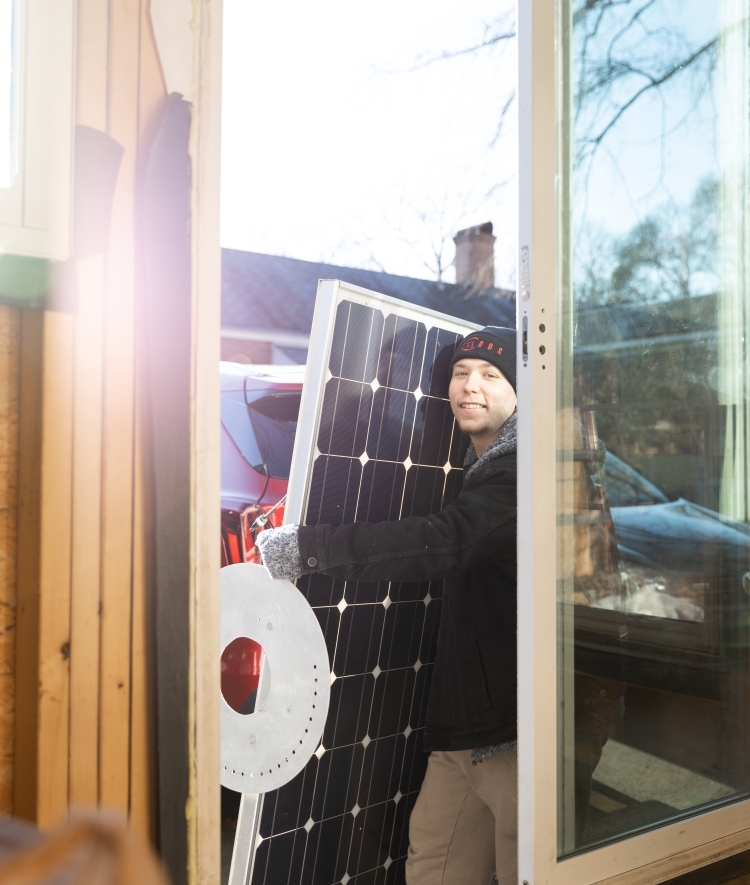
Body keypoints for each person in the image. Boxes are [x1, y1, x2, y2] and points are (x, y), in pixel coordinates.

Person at [257, 326, 518, 885]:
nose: (470, 386)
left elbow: (444, 541)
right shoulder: (482, 468)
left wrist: (310, 547)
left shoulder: (525, 473)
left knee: (527, 867)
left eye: (492, 376)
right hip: (468, 722)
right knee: (434, 860)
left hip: (522, 726)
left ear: (522, 395)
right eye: (460, 373)